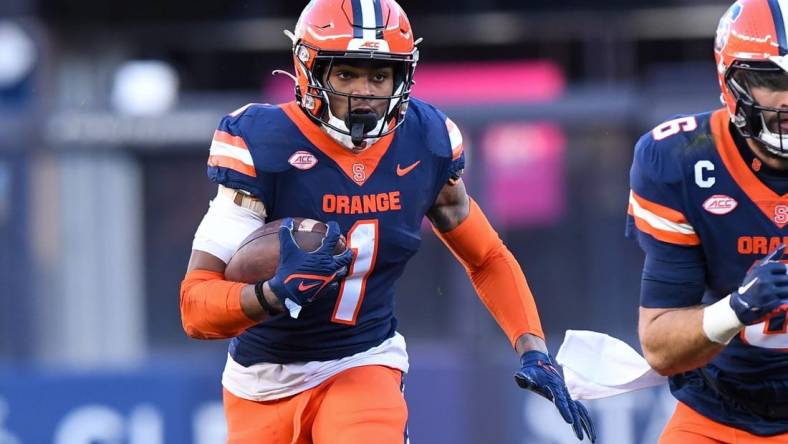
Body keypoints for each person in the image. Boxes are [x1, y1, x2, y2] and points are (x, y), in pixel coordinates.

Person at [179, 0, 594, 442]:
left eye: (379, 76)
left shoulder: (425, 140)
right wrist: (271, 294)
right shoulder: (262, 142)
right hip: (259, 380)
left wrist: (533, 348)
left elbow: (487, 256)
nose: (365, 93)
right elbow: (195, 307)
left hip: (361, 360)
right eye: (346, 74)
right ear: (309, 70)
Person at [626, 1, 788, 442]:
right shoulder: (681, 159)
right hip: (719, 414)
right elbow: (659, 345)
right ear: (730, 80)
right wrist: (734, 310)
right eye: (772, 79)